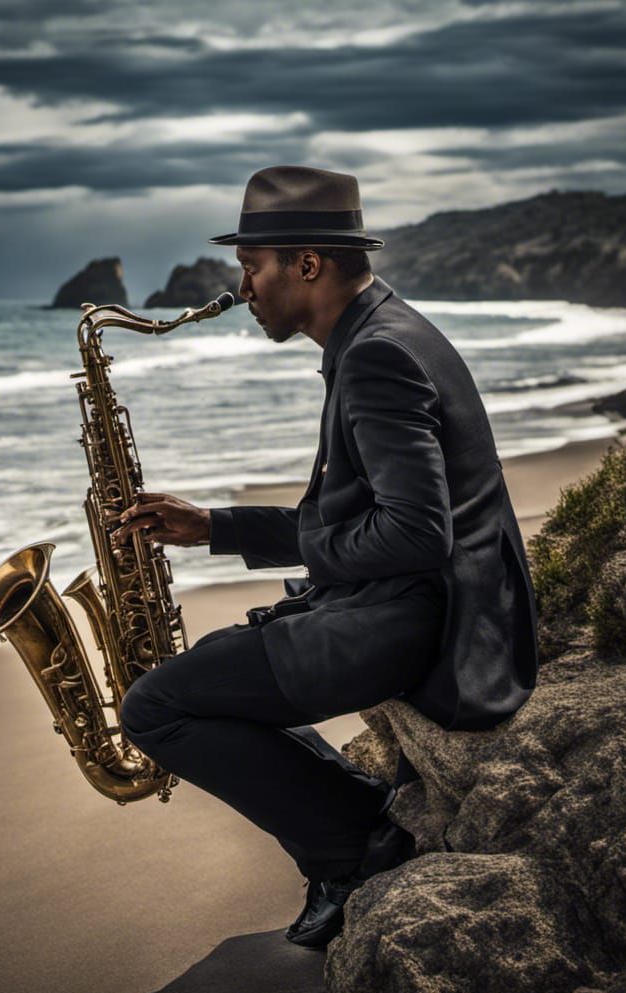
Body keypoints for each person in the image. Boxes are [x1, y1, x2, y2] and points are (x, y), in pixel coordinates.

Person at [111, 165, 538, 949]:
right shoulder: (382, 330)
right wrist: (216, 525)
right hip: (432, 600)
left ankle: (351, 846)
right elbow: (378, 516)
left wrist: (261, 544)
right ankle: (356, 817)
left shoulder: (375, 356)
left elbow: (415, 534)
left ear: (307, 264)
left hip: (427, 622)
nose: (242, 288)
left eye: (252, 267)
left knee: (154, 705)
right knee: (212, 664)